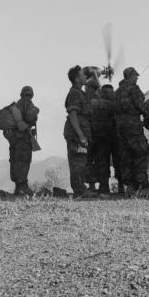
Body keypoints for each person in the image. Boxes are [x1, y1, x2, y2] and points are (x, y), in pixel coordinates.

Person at [114, 67, 149, 198]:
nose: (137, 78)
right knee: (142, 152)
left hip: (120, 127)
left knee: (126, 155)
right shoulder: (133, 89)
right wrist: (148, 110)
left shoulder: (117, 91)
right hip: (133, 125)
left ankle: (130, 186)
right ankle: (142, 186)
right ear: (130, 76)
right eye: (135, 76)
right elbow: (140, 106)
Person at [63, 65, 99, 199]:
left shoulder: (80, 92)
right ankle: (80, 190)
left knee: (81, 161)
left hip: (80, 132)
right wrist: (81, 135)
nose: (86, 77)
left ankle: (80, 189)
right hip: (76, 134)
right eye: (83, 75)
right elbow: (73, 114)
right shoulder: (75, 93)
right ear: (77, 79)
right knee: (77, 162)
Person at [3, 86, 40, 197]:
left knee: (15, 160)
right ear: (31, 95)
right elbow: (30, 118)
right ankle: (23, 188)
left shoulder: (16, 105)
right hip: (23, 138)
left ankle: (18, 188)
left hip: (14, 138)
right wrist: (36, 111)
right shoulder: (28, 104)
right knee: (24, 161)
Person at [89, 83, 120, 195]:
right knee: (117, 162)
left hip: (100, 137)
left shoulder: (94, 103)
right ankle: (120, 187)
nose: (112, 94)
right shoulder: (112, 105)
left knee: (102, 162)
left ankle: (103, 186)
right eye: (110, 93)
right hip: (111, 137)